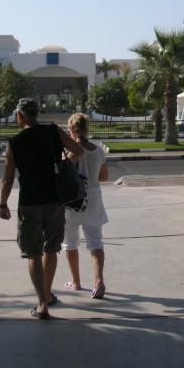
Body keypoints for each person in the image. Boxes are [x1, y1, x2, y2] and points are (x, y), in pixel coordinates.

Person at [0, 98, 83, 319]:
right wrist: (64, 164)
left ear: (20, 116)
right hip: (55, 199)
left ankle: (42, 304)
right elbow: (77, 149)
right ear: (37, 114)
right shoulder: (53, 131)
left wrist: (2, 204)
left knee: (33, 253)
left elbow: (7, 179)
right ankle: (47, 293)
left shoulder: (15, 143)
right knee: (51, 249)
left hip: (29, 201)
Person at [62, 113, 109, 299]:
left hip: (72, 202)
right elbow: (104, 177)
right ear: (87, 129)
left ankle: (76, 281)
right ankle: (99, 281)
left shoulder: (70, 152)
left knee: (70, 242)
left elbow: (63, 172)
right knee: (95, 242)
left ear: (71, 130)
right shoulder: (98, 151)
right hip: (94, 201)